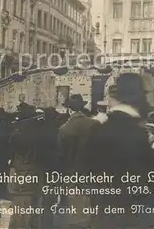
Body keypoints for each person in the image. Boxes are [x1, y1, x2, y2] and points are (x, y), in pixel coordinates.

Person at [86, 73, 154, 228]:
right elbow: (148, 178)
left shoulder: (98, 129)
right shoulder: (137, 132)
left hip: (105, 215)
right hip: (132, 216)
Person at [58, 94, 100, 229]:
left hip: (72, 173)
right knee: (93, 208)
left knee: (75, 210)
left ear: (69, 110)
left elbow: (61, 156)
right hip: (93, 172)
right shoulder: (95, 124)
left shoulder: (63, 129)